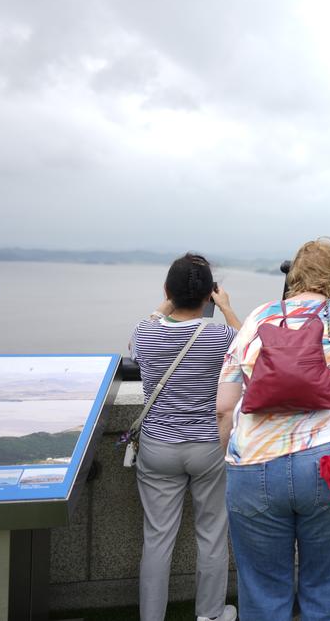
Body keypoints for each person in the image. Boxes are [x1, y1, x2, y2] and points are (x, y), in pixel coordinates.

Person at [217, 238, 330, 620]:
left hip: (254, 464)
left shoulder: (258, 317)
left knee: (263, 590)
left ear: (294, 276)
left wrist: (233, 459)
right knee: (326, 586)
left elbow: (224, 407)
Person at [129, 253, 241, 621]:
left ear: (167, 290)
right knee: (211, 532)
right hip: (208, 445)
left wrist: (166, 302)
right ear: (210, 294)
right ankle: (210, 614)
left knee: (157, 537)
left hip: (158, 446)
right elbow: (250, 348)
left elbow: (135, 344)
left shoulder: (145, 333)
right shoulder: (221, 336)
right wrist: (226, 308)